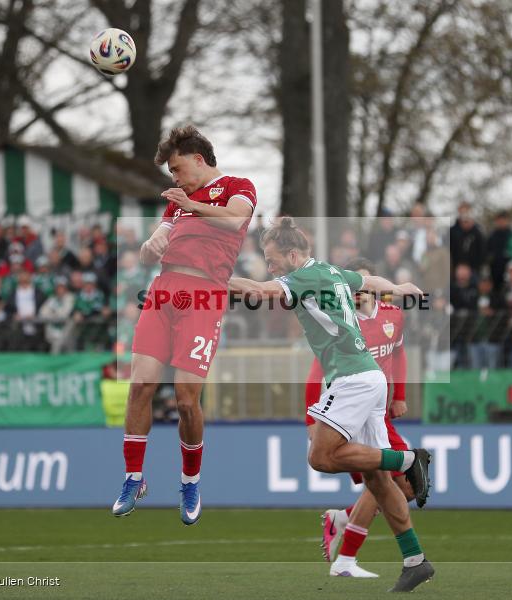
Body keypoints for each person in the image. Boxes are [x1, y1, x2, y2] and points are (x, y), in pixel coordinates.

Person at [229, 218, 434, 592]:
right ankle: (415, 560)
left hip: (353, 379)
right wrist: (401, 287)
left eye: (272, 259)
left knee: (320, 458)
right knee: (377, 480)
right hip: (370, 378)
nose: (270, 265)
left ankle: (408, 460)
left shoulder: (304, 277)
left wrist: (209, 277)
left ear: (293, 255)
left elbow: (257, 289)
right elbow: (371, 283)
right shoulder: (331, 271)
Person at [113, 125, 257, 526]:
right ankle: (133, 478)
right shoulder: (177, 203)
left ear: (198, 159)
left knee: (184, 398)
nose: (174, 179)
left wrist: (190, 206)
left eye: (177, 169)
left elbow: (234, 221)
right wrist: (149, 247)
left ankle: (190, 481)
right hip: (163, 291)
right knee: (140, 385)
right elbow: (149, 253)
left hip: (204, 296)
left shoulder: (236, 186)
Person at [304, 257, 416, 578]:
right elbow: (315, 374)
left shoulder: (393, 316)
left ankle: (342, 525)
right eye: (353, 286)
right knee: (387, 479)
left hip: (378, 412)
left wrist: (401, 396)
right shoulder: (341, 322)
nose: (358, 291)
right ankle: (348, 558)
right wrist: (311, 421)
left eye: (364, 285)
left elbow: (398, 352)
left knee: (403, 487)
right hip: (349, 411)